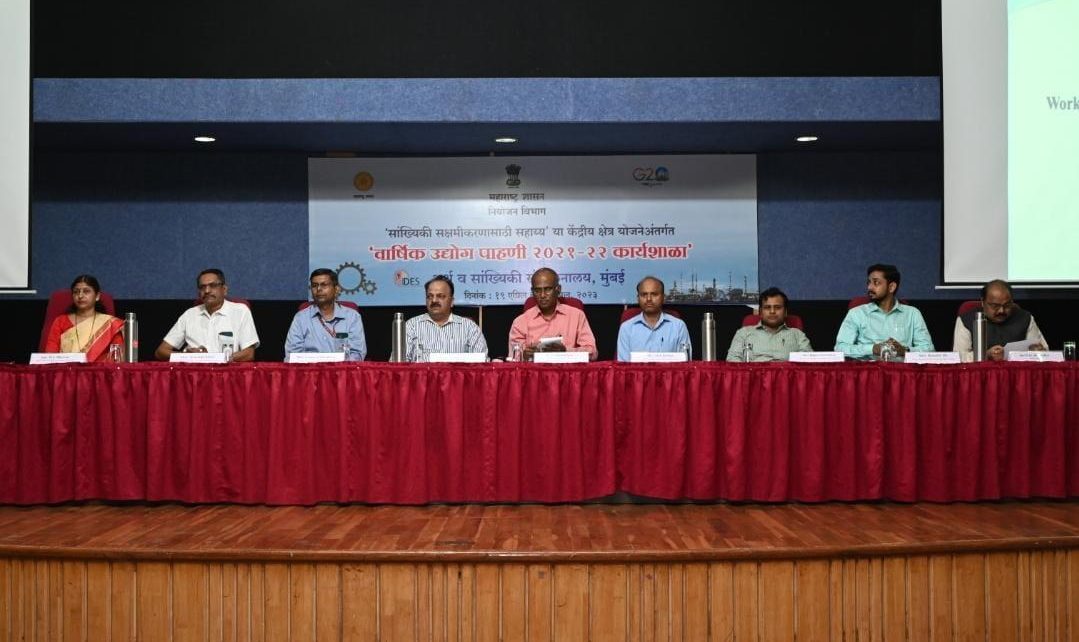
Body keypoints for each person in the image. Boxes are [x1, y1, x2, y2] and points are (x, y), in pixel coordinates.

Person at [155, 268, 259, 361]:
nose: (207, 291)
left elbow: (248, 354)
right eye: (202, 287)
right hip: (194, 373)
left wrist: (213, 358)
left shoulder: (240, 311)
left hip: (226, 372)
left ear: (224, 289)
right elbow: (161, 352)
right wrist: (187, 356)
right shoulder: (189, 314)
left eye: (213, 285)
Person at [835, 263, 934, 359]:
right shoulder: (856, 313)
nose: (869, 287)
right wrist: (872, 349)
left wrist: (905, 351)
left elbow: (929, 350)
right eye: (868, 282)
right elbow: (840, 348)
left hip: (902, 369)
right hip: (868, 369)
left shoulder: (913, 314)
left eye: (876, 282)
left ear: (891, 287)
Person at [509, 267, 598, 361]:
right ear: (532, 291)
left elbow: (592, 352)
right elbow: (513, 358)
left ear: (558, 289)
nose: (542, 295)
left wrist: (565, 351)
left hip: (568, 370)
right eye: (537, 290)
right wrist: (524, 356)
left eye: (547, 289)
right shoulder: (520, 322)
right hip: (534, 370)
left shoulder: (577, 316)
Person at [952, 279, 1047, 361]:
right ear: (983, 302)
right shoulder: (966, 320)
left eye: (1007, 305)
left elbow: (1044, 351)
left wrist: (1038, 351)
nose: (1001, 310)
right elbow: (959, 357)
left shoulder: (1025, 318)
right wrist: (986, 355)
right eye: (995, 306)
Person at [284, 268, 367, 361]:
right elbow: (292, 355)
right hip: (310, 369)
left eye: (324, 285)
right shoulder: (300, 318)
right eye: (314, 286)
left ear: (336, 289)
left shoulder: (352, 317)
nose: (319, 289)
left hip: (342, 369)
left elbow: (357, 354)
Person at [44, 274, 125, 362]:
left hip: (100, 370)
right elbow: (50, 355)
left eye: (86, 291)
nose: (80, 295)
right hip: (66, 369)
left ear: (97, 296)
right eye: (76, 292)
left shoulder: (110, 324)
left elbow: (117, 357)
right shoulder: (60, 321)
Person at [404, 275, 487, 361]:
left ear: (451, 301)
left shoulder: (469, 328)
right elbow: (399, 364)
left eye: (440, 296)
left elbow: (482, 364)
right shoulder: (411, 326)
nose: (434, 300)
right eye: (430, 296)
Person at [727, 287, 812, 361]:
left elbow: (810, 364)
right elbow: (732, 360)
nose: (772, 311)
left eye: (777, 307)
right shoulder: (743, 333)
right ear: (760, 312)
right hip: (753, 375)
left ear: (785, 312)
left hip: (787, 375)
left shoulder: (798, 335)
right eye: (767, 307)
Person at [616, 276, 691, 361]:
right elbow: (623, 366)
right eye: (644, 294)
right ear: (638, 298)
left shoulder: (679, 326)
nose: (648, 299)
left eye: (654, 294)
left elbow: (685, 365)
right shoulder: (626, 328)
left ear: (663, 297)